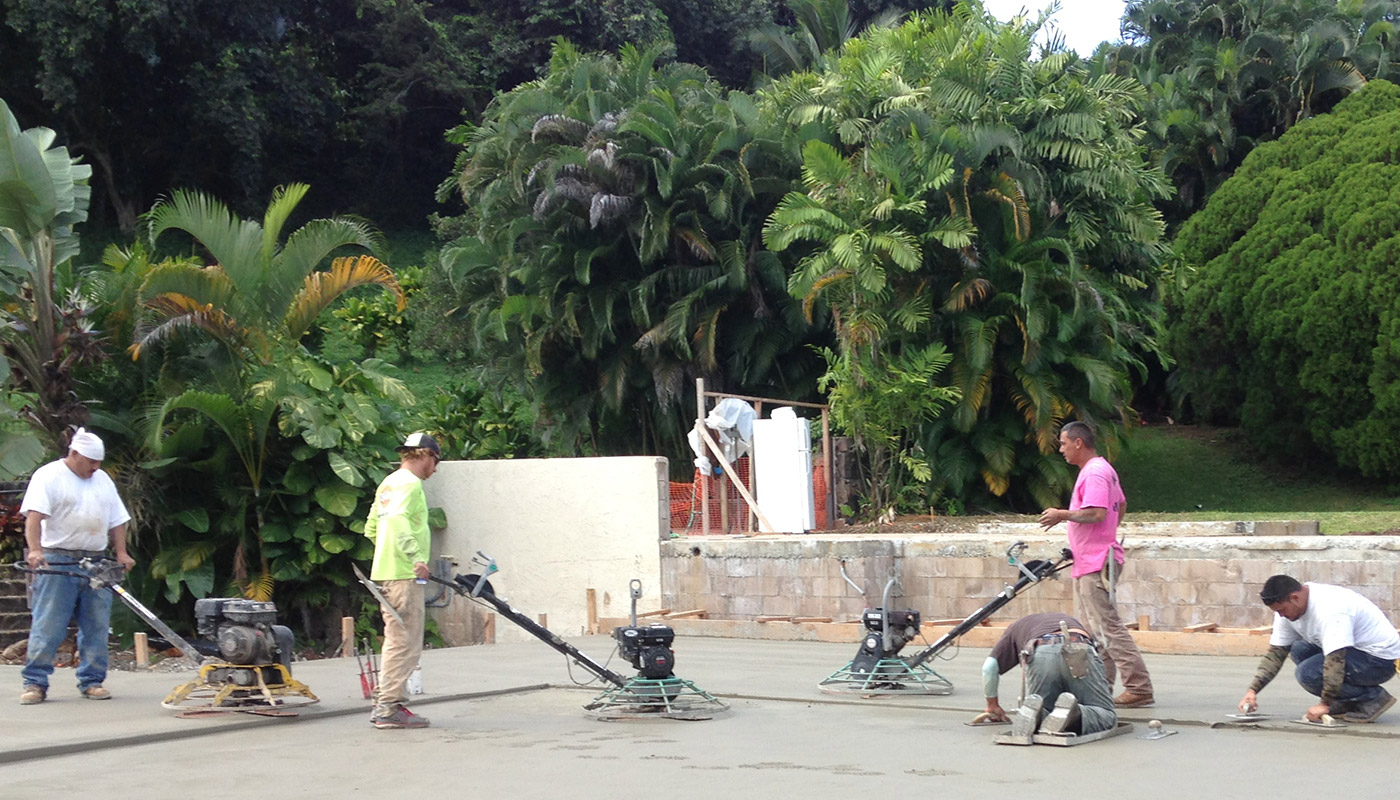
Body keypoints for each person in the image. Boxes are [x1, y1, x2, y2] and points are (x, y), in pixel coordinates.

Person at [1038, 420, 1154, 708]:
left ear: (1078, 442)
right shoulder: (1101, 470)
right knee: (1093, 633)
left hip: (1095, 561)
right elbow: (1121, 505)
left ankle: (1139, 687)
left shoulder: (1094, 473)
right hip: (1091, 559)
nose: (1061, 450)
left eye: (1063, 444)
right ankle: (1102, 687)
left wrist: (1062, 515)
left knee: (1108, 628)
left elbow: (1096, 512)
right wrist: (1107, 535)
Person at [18, 428, 133, 705]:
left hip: (96, 560)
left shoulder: (102, 480)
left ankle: (92, 681)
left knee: (96, 624)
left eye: (99, 462)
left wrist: (121, 551)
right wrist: (35, 550)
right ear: (75, 454)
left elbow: (118, 519)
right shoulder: (49, 476)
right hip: (58, 559)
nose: (96, 467)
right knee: (49, 624)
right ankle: (35, 683)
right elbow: (34, 517)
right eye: (91, 461)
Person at [1238, 574, 1400, 724]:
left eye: (1282, 610)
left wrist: (1324, 703)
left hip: (1379, 660)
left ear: (1294, 598)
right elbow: (1276, 655)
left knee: (1307, 674)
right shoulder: (1287, 609)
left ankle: (1373, 698)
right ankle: (1347, 701)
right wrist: (1252, 691)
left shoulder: (1330, 609)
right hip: (1352, 650)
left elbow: (1335, 660)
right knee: (1298, 647)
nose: (1281, 615)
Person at [364, 432, 440, 729]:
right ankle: (388, 708)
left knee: (397, 638)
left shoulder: (388, 482)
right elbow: (396, 519)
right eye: (436, 461)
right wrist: (415, 559)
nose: (435, 470)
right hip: (404, 574)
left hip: (386, 571)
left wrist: (387, 554)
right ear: (425, 455)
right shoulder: (410, 484)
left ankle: (386, 703)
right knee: (405, 642)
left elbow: (372, 527)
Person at [981, 612, 1118, 737]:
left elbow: (989, 668)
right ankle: (1074, 714)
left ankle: (1038, 714)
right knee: (1106, 714)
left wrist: (992, 705)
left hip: (1041, 651)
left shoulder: (1015, 629)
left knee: (1045, 708)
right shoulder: (1068, 618)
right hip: (1078, 646)